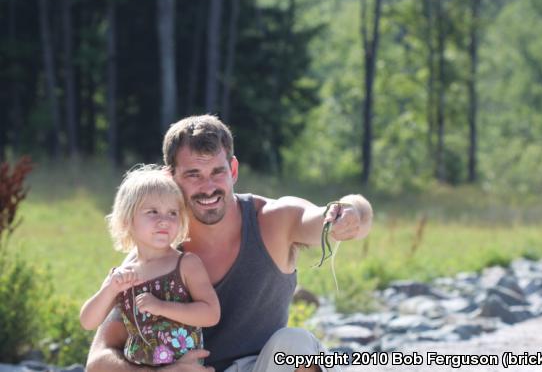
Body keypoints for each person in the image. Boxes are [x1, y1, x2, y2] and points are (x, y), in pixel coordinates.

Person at [86, 115, 373, 372]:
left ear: (233, 170)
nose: (208, 187)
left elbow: (333, 216)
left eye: (217, 172)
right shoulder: (153, 256)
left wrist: (349, 212)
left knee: (296, 344)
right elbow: (98, 359)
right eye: (193, 175)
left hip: (261, 367)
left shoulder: (272, 221)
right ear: (170, 177)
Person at [80, 166, 220, 366]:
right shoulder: (124, 275)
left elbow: (211, 314)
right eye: (152, 212)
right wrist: (110, 289)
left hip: (185, 367)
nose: (164, 220)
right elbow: (88, 321)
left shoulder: (185, 264)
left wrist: (161, 307)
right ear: (128, 220)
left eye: (172, 213)